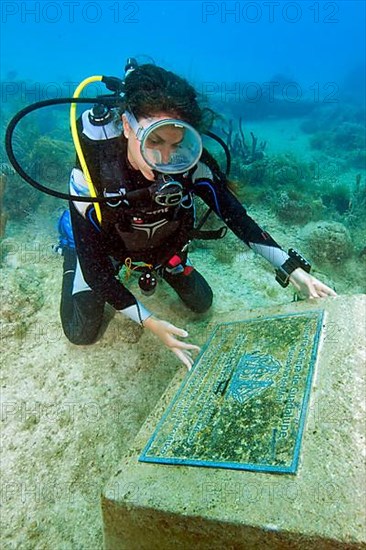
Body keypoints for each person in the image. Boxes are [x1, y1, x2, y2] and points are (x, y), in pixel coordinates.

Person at [58, 62, 336, 370]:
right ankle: (71, 250)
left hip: (164, 250)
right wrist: (150, 322)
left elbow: (235, 216)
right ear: (127, 126)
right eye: (153, 141)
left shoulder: (189, 163)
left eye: (176, 145)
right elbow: (98, 274)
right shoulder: (93, 171)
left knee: (203, 303)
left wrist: (292, 269)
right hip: (108, 252)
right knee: (80, 332)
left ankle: (170, 266)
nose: (165, 159)